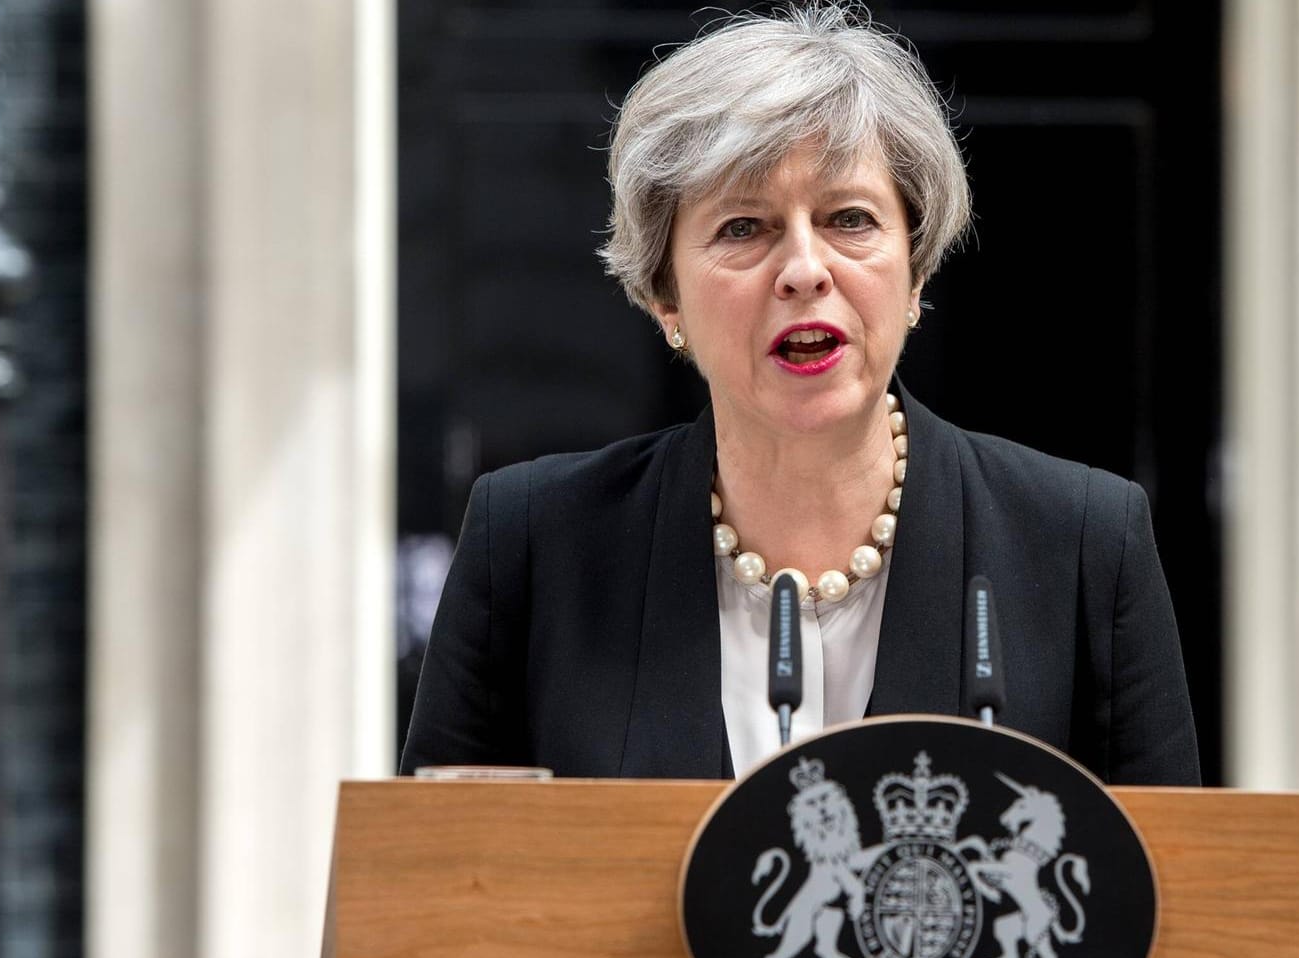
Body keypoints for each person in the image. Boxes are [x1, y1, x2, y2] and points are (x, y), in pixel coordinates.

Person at [400, 4, 1199, 784]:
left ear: (915, 273)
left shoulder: (1083, 544)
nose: (805, 269)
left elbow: (1170, 900)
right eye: (744, 228)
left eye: (849, 219)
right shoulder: (534, 547)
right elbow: (436, 892)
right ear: (664, 297)